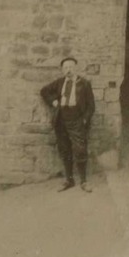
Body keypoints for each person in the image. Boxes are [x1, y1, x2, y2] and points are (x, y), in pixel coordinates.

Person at [40, 57, 95, 192]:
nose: (68, 70)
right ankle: (69, 180)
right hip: (62, 121)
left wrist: (84, 120)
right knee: (65, 150)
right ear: (62, 70)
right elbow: (44, 91)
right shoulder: (59, 82)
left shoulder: (85, 84)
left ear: (76, 68)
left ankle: (83, 181)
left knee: (80, 149)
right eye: (65, 68)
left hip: (77, 121)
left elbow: (91, 106)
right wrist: (53, 102)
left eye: (71, 67)